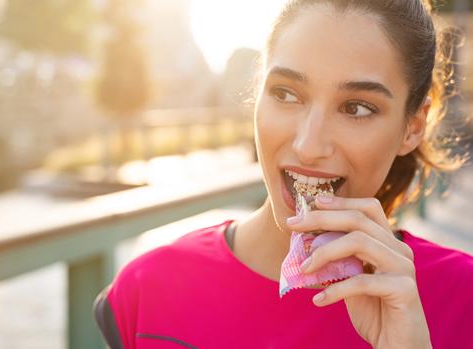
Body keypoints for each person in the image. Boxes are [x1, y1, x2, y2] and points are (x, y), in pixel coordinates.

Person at [94, 1, 473, 348]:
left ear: (413, 126)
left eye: (356, 108)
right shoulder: (147, 291)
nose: (309, 145)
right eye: (286, 94)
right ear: (257, 91)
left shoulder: (462, 300)